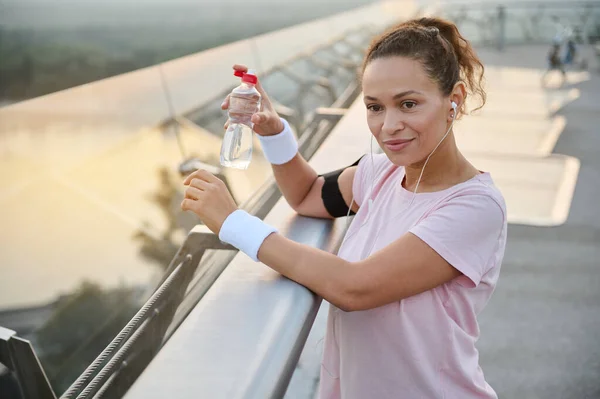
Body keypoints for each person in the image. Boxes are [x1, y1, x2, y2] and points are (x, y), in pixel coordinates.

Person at [181, 16, 507, 399]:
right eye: (374, 107)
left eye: (408, 104)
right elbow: (306, 195)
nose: (389, 126)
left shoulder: (473, 207)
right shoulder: (381, 173)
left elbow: (355, 288)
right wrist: (274, 133)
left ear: (454, 99)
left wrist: (233, 223)